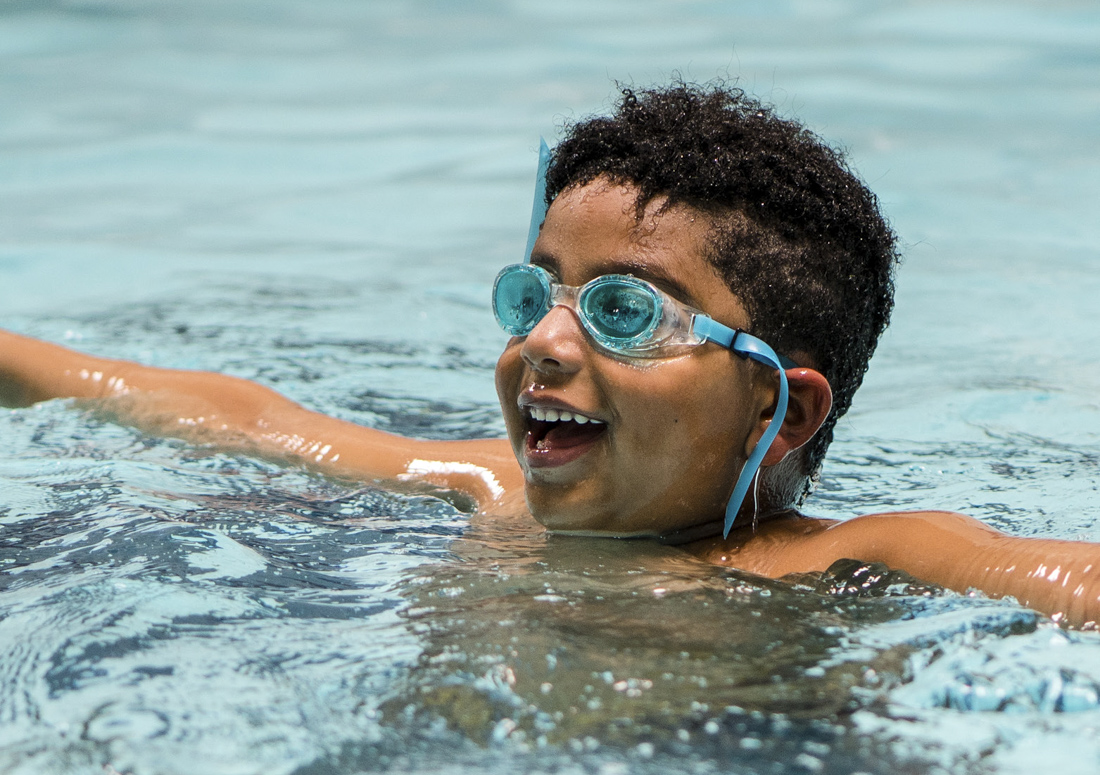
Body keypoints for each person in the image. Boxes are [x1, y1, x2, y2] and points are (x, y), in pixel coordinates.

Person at [2, 82, 1097, 626]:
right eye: (535, 295)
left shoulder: (839, 559)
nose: (541, 343)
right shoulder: (492, 491)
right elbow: (240, 419)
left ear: (786, 411)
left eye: (625, 313)